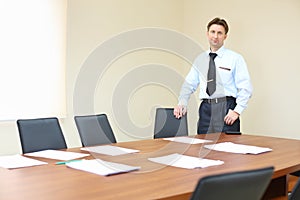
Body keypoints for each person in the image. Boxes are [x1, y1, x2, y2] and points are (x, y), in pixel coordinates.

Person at [174, 17, 252, 134]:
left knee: (227, 149)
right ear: (207, 34)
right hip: (206, 110)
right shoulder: (200, 59)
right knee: (203, 149)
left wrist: (237, 111)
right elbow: (189, 84)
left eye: (220, 33)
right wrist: (182, 102)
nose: (215, 36)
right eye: (213, 32)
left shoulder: (235, 59)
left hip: (226, 109)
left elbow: (245, 88)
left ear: (225, 36)